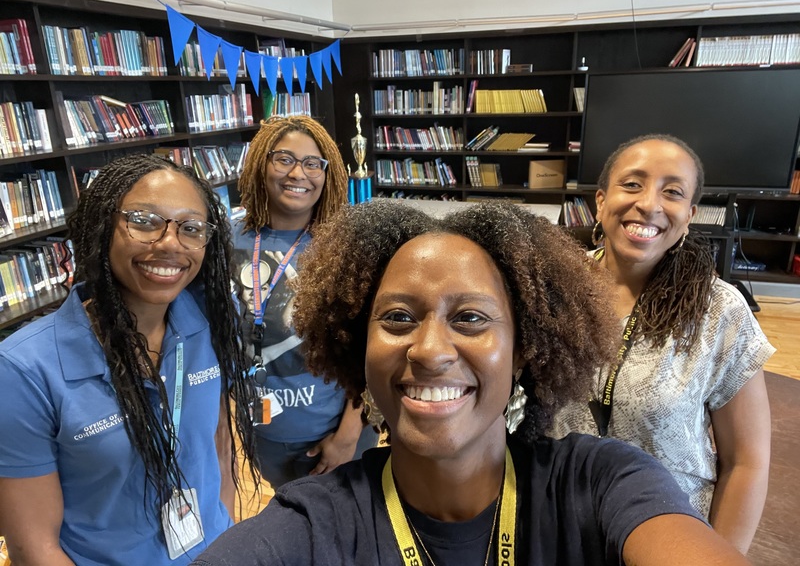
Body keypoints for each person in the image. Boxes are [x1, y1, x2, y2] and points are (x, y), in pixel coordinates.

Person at [192, 199, 751, 566]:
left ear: (524, 349)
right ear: (356, 349)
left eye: (471, 318)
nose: (431, 350)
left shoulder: (601, 483)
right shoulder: (315, 524)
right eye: (398, 318)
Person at [0, 154, 258, 566]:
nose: (170, 243)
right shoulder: (23, 370)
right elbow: (35, 550)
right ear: (103, 227)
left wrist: (223, 537)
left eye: (191, 228)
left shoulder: (208, 321)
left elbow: (218, 440)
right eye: (144, 220)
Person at [550, 134, 774, 555]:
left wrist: (714, 556)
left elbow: (747, 462)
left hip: (669, 536)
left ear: (689, 216)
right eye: (632, 184)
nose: (649, 204)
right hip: (556, 529)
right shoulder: (554, 290)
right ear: (600, 201)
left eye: (672, 192)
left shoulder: (718, 310)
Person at [232, 115, 378, 489]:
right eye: (284, 159)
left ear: (327, 174)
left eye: (313, 163)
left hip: (335, 434)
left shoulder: (346, 245)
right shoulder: (228, 242)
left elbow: (370, 350)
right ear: (261, 164)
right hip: (264, 431)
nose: (298, 173)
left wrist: (347, 437)